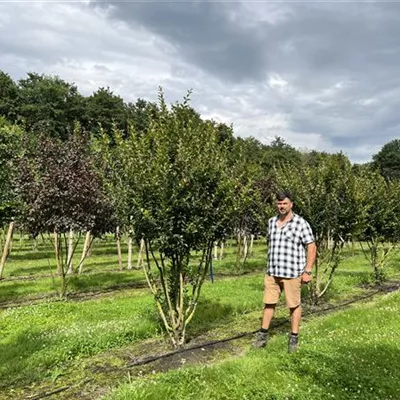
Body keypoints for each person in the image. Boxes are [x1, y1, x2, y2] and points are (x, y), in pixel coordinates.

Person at [253, 191, 316, 353]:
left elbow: (311, 246)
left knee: (294, 305)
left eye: (285, 203)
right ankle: (262, 336)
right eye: (279, 203)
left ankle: (294, 338)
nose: (281, 206)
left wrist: (307, 270)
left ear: (291, 204)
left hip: (292, 273)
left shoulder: (301, 223)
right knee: (268, 303)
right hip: (273, 271)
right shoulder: (271, 222)